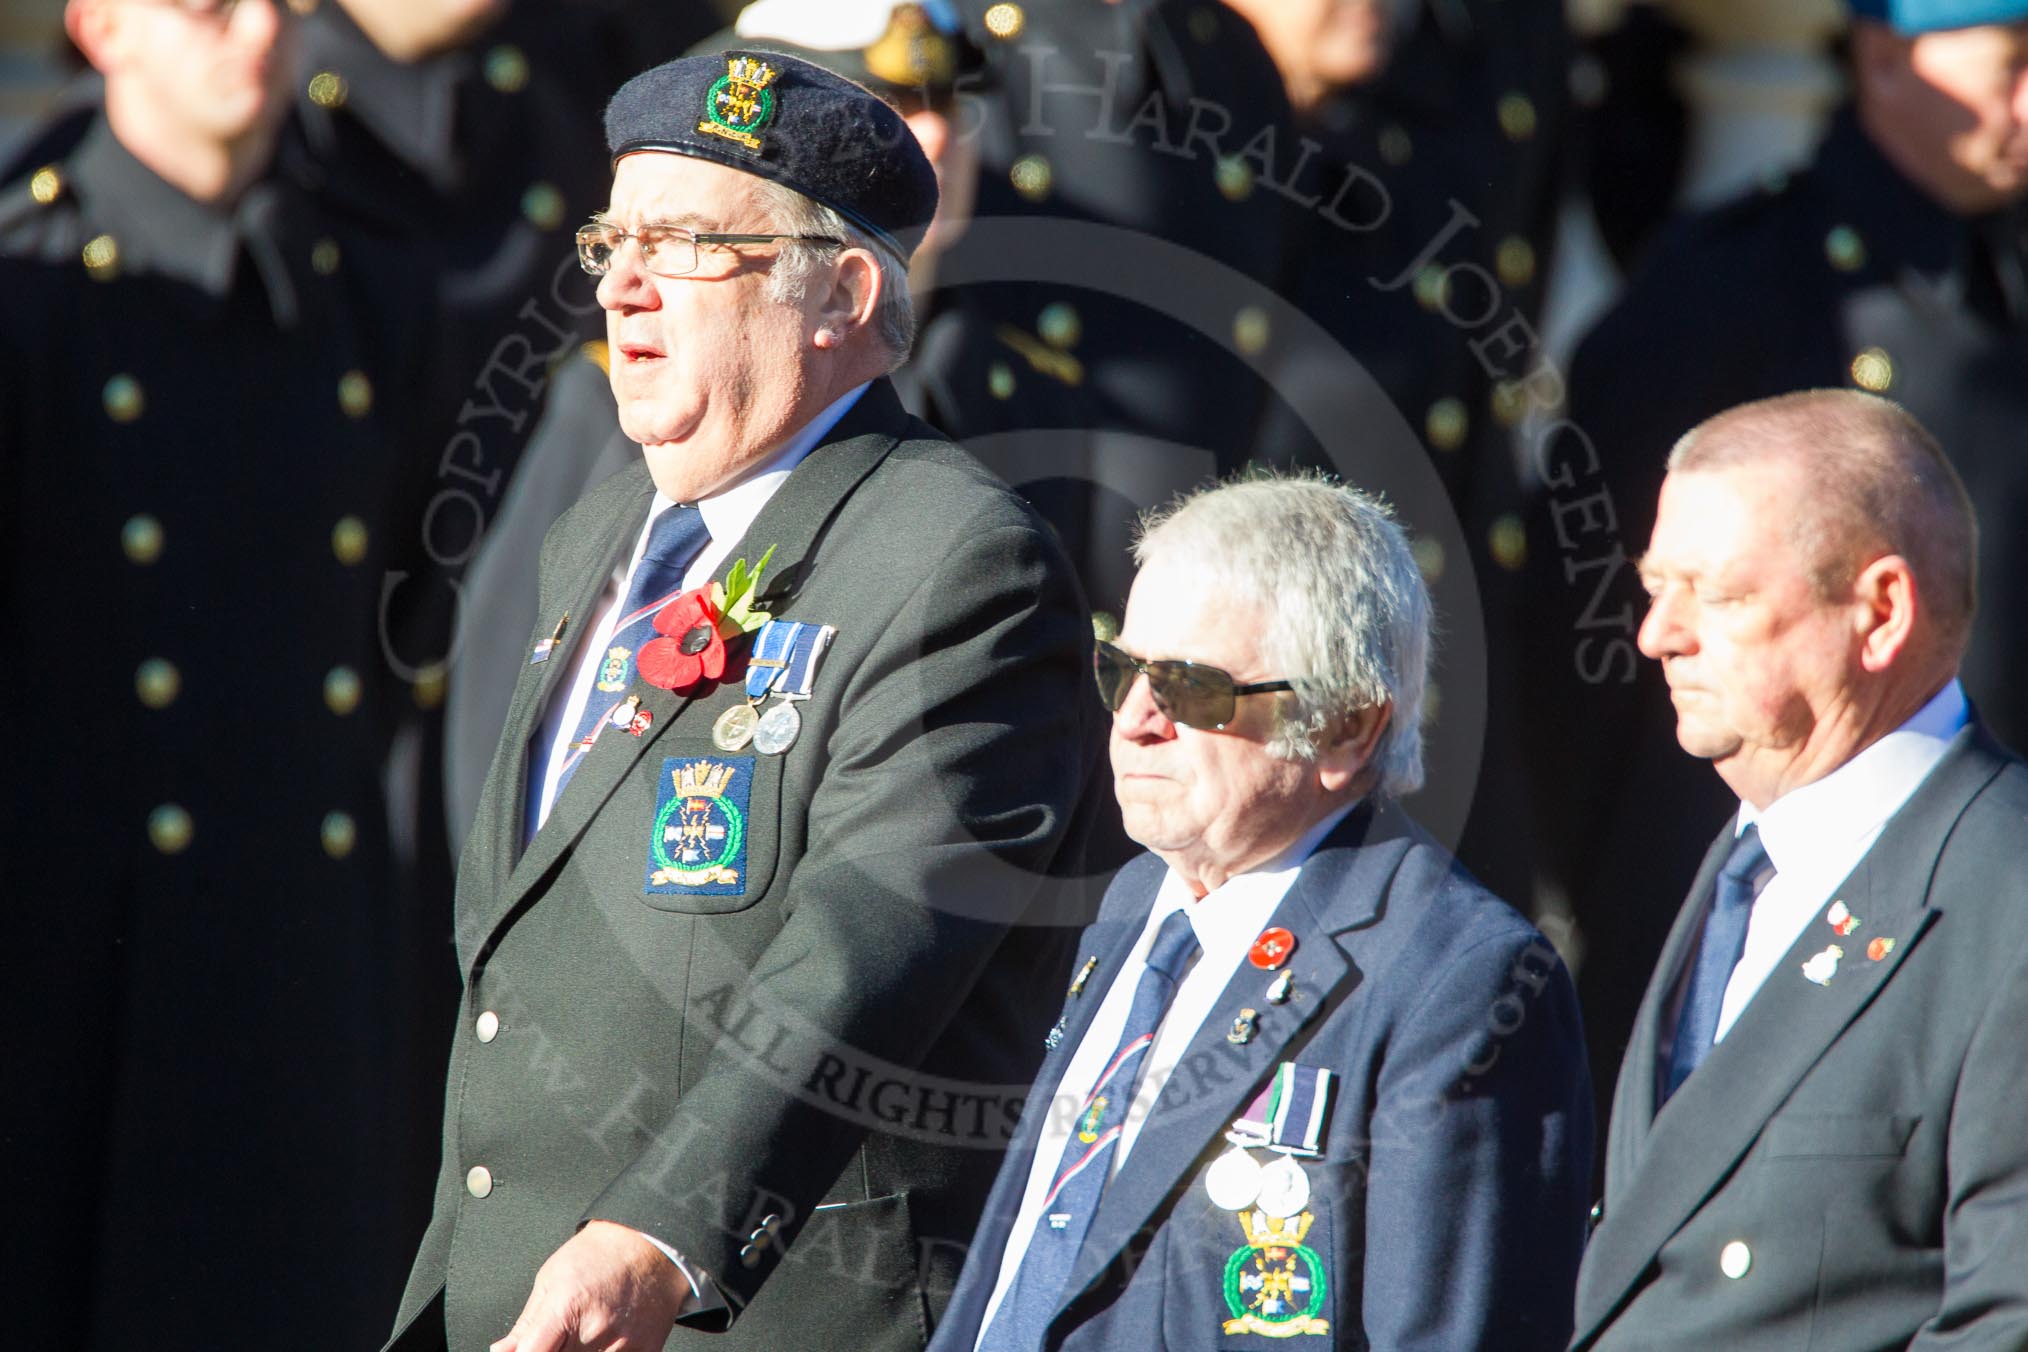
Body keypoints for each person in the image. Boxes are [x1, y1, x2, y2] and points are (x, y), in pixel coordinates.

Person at [385, 50, 1096, 1352]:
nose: (624, 284)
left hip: (752, 1315)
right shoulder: (601, 531)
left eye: (688, 242)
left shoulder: (958, 564)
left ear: (843, 291)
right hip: (512, 1301)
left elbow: (862, 960)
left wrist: (659, 1237)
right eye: (612, 238)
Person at [0, 0, 454, 1346]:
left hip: (302, 965)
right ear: (98, 26)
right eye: (207, 5)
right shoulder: (28, 284)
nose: (257, 34)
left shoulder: (367, 276)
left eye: (280, 2)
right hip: (64, 975)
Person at [928, 474, 1592, 1352]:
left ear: (1347, 730)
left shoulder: (1459, 982)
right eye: (1120, 669)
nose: (1134, 721)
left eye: (1192, 689)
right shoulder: (1138, 905)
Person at [1535, 0, 2028, 1137]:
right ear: (1883, 54)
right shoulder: (1732, 294)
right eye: (2007, 63)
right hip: (1752, 897)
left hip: (1981, 885)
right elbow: (1593, 644)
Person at [1572, 390, 2028, 1350]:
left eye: (1722, 595)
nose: (1658, 634)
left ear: (1880, 612)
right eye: (1656, 587)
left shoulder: (2006, 893)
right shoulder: (1746, 863)